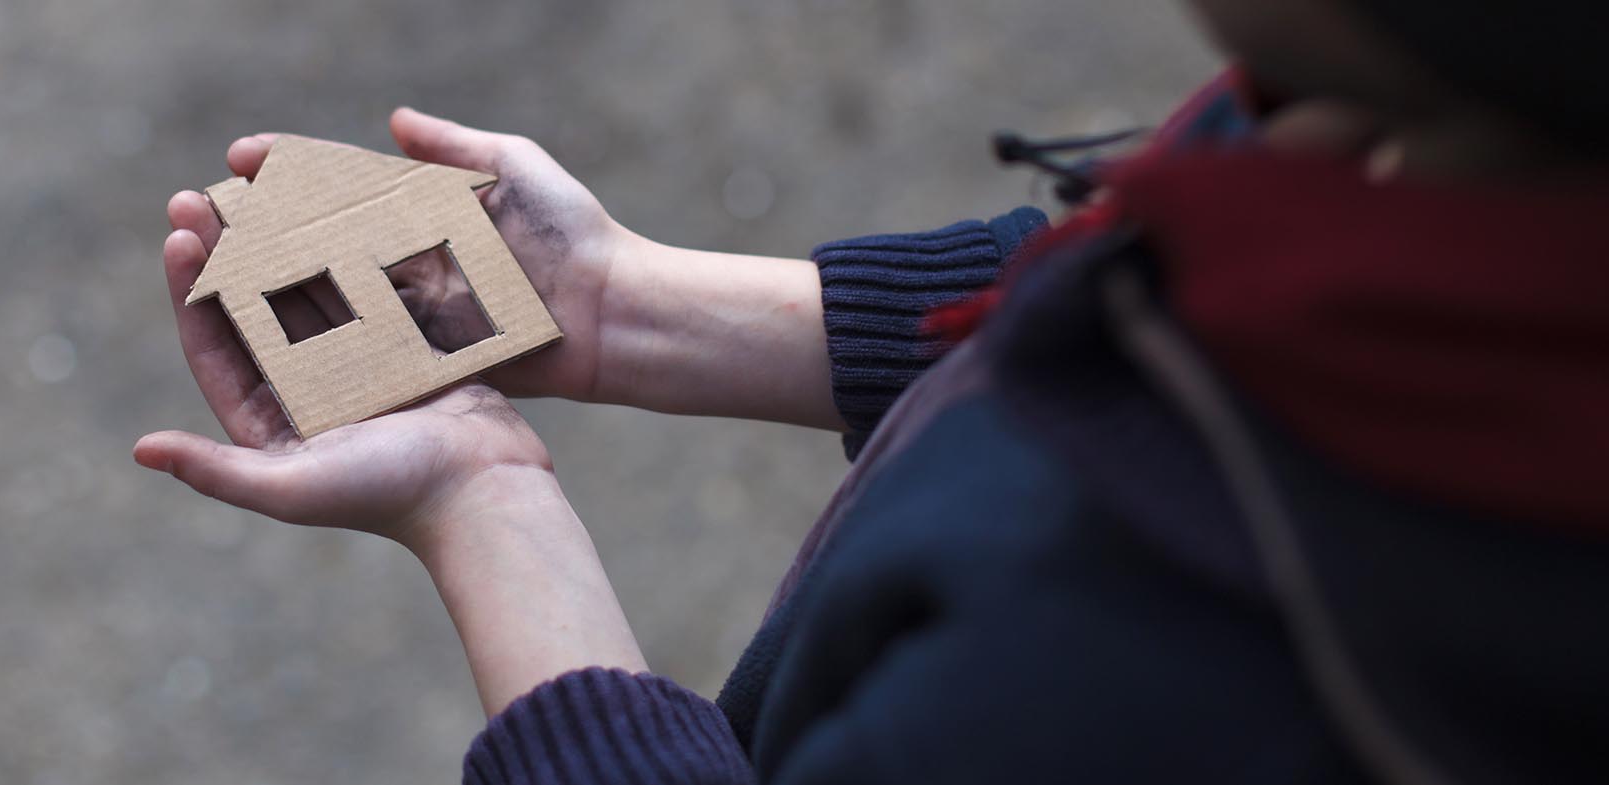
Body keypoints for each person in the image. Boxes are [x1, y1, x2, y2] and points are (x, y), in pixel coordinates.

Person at [135, 0, 1609, 781]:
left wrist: (486, 498)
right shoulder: (1432, 160)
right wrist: (625, 306)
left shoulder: (1146, 680)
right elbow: (1137, 307)